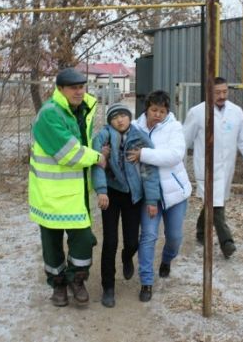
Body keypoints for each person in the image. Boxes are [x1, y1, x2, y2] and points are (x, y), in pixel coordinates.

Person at [28, 67, 107, 307]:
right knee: (52, 245)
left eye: (82, 87)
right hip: (50, 194)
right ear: (60, 89)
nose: (79, 91)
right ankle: (58, 285)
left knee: (83, 240)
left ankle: (77, 279)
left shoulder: (83, 108)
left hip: (76, 192)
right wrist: (96, 157)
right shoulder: (50, 114)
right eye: (74, 87)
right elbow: (68, 152)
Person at [91, 102, 160, 308]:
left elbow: (149, 169)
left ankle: (127, 256)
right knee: (110, 241)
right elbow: (98, 164)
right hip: (111, 195)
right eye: (115, 117)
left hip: (133, 195)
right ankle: (108, 288)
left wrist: (151, 200)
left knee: (131, 241)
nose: (120, 120)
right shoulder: (103, 137)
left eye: (123, 115)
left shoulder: (140, 137)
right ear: (110, 121)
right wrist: (102, 190)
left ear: (129, 118)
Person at [127, 90, 192, 302]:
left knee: (174, 237)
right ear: (146, 109)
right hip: (149, 195)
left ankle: (167, 259)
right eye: (154, 110)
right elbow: (127, 154)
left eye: (162, 111)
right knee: (148, 236)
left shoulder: (174, 127)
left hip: (175, 193)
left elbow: (175, 156)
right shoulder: (135, 128)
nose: (157, 115)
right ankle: (146, 282)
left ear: (167, 112)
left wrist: (144, 155)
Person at [183, 76, 243, 259]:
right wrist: (177, 163)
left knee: (213, 202)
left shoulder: (236, 112)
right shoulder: (197, 112)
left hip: (226, 167)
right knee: (216, 205)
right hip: (205, 168)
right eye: (217, 92)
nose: (222, 95)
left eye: (224, 92)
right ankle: (227, 242)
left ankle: (201, 231)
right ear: (209, 93)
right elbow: (185, 140)